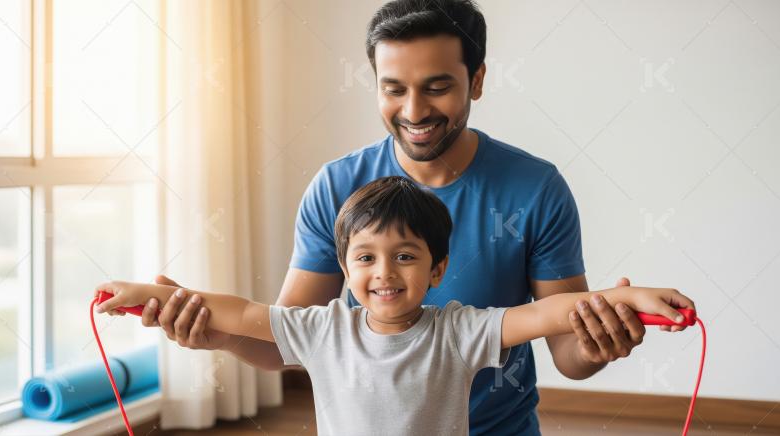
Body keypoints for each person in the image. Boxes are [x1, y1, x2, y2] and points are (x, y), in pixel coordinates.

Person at [99, 0, 687, 433]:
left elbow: (563, 343)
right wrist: (209, 334)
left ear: (476, 81)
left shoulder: (536, 189)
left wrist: (603, 331)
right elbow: (283, 332)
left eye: (437, 88)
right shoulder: (335, 187)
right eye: (393, 89)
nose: (413, 111)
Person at [96, 177, 695, 436]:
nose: (383, 273)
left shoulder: (459, 329)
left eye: (405, 257)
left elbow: (548, 314)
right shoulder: (322, 328)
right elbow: (239, 313)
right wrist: (150, 297)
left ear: (436, 270)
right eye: (365, 258)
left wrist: (626, 299)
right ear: (345, 267)